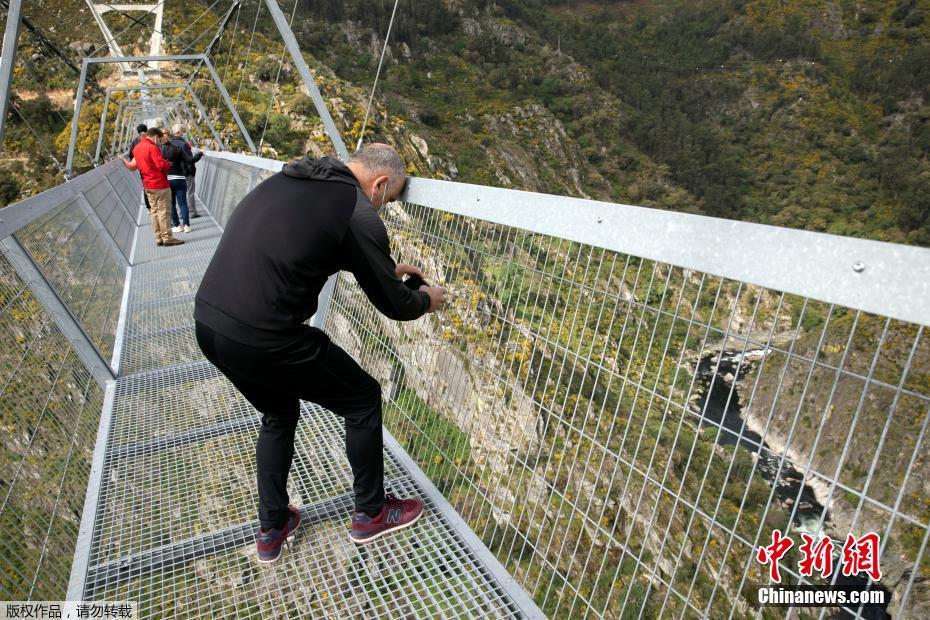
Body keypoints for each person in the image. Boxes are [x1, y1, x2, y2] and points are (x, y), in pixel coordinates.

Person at [194, 144, 448, 563]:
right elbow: (396, 307)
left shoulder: (290, 180)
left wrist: (385, 268)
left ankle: (272, 527)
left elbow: (305, 244)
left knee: (278, 412)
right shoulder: (356, 210)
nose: (386, 206)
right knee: (362, 397)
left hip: (211, 326)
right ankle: (371, 513)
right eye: (390, 197)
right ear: (380, 183)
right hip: (268, 336)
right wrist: (426, 300)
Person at [122, 127, 184, 247]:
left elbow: (132, 167)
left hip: (147, 185)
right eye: (159, 140)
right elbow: (160, 165)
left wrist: (123, 160)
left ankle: (159, 238)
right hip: (160, 184)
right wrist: (167, 163)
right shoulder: (152, 147)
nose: (159, 142)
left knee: (154, 212)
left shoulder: (137, 148)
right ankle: (167, 238)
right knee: (164, 211)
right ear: (155, 137)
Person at [166, 125, 201, 233]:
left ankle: (177, 225)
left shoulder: (164, 146)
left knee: (172, 203)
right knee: (183, 202)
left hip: (168, 178)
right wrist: (200, 153)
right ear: (180, 132)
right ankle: (186, 225)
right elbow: (190, 160)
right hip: (181, 176)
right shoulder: (182, 145)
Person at [125, 123, 151, 211]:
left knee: (145, 185)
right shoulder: (150, 139)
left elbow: (131, 155)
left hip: (141, 167)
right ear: (146, 130)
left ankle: (148, 207)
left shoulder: (135, 141)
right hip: (151, 165)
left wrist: (136, 162)